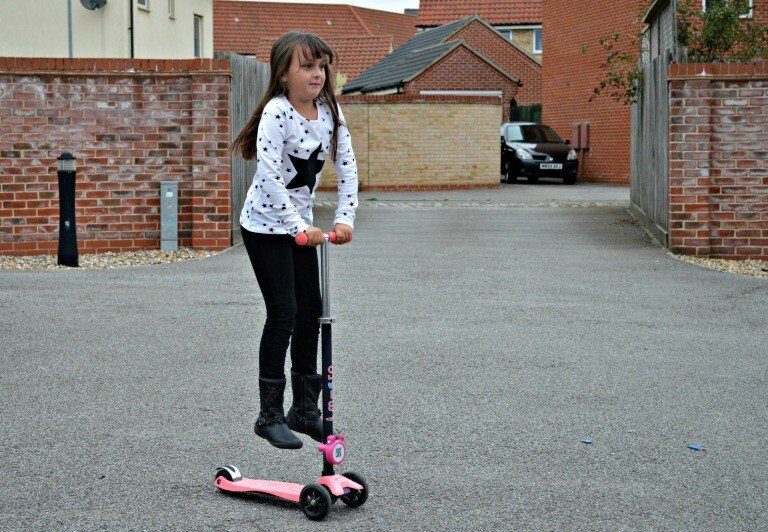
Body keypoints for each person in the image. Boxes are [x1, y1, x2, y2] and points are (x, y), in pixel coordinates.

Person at [230, 31, 358, 449]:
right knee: (284, 312)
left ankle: (303, 411)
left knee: (312, 313)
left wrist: (343, 218)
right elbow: (267, 174)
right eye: (307, 66)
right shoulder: (276, 113)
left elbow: (348, 167)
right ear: (284, 74)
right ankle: (268, 416)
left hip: (300, 229)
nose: (317, 74)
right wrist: (297, 226)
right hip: (265, 226)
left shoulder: (330, 114)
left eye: (322, 65)